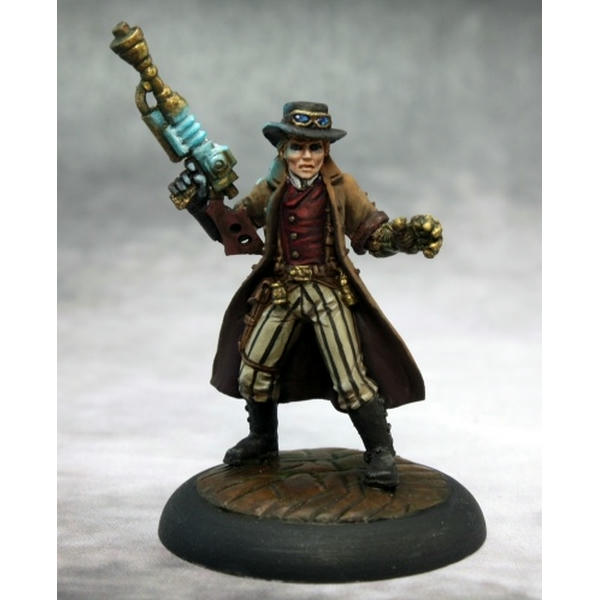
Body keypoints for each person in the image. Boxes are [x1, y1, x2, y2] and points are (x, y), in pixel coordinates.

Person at [169, 101, 442, 488]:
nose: (307, 156)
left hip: (326, 291)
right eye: (298, 147)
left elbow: (371, 234)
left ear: (326, 150)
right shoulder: (272, 188)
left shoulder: (341, 187)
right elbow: (233, 229)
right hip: (280, 291)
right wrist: (199, 204)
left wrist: (408, 236)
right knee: (253, 370)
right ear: (283, 150)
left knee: (350, 378)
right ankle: (263, 440)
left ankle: (381, 451)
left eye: (315, 147)